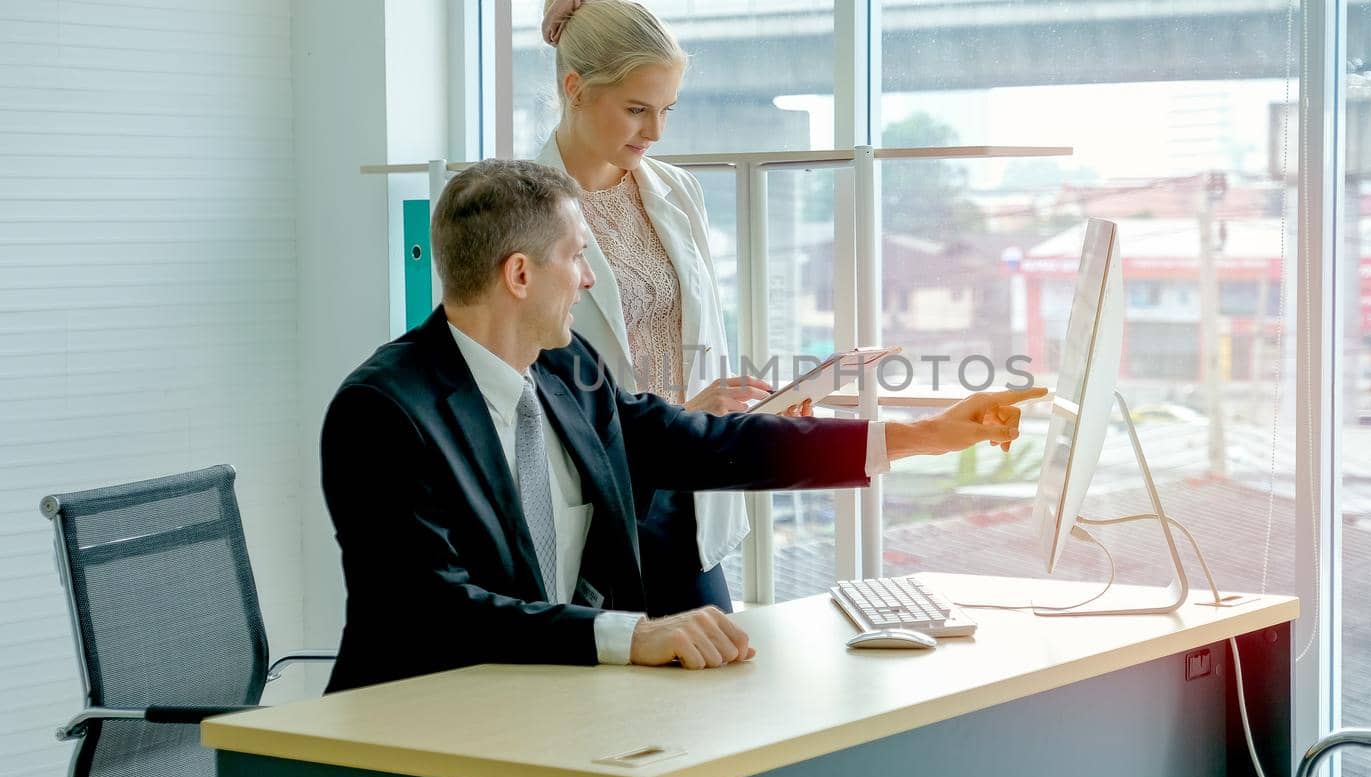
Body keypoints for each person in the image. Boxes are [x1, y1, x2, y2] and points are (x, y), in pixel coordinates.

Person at [320, 159, 1041, 692]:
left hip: (555, 699)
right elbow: (432, 610)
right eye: (577, 257)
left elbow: (706, 445)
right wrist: (630, 634)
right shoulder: (383, 412)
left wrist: (925, 436)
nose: (589, 278)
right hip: (420, 727)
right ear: (519, 275)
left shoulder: (567, 368)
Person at [534, 0, 765, 618]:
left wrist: (718, 410)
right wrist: (677, 414)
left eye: (668, 111)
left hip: (686, 497)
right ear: (576, 88)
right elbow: (520, 387)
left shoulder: (676, 192)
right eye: (638, 109)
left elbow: (697, 331)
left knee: (713, 687)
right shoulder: (520, 207)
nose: (656, 131)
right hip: (597, 504)